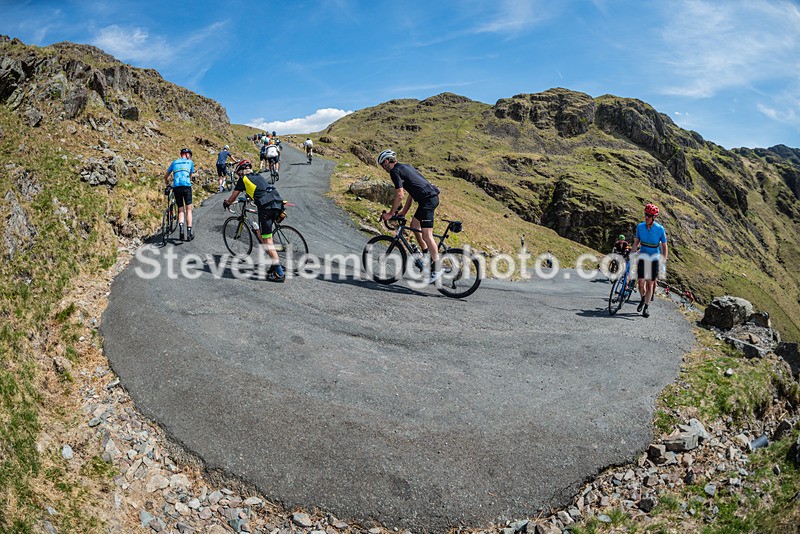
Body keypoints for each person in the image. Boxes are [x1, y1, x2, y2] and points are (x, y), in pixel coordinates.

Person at [377, 149, 443, 283]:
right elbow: (412, 193)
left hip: (428, 201)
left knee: (427, 235)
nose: (383, 169)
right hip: (427, 199)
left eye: (383, 165)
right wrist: (403, 212)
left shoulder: (395, 172)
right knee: (414, 225)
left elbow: (400, 195)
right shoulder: (406, 167)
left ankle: (437, 268)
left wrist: (390, 213)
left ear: (386, 161)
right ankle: (426, 255)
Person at [222, 160, 286, 282]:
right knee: (265, 235)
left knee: (268, 241)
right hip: (277, 202)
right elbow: (257, 190)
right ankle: (273, 265)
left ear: (240, 172)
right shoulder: (258, 176)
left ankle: (279, 273)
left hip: (266, 208)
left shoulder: (243, 179)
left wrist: (227, 203)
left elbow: (233, 196)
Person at [631, 203, 668, 318]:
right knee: (640, 283)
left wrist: (664, 258)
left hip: (654, 258)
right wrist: (632, 253)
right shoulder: (640, 227)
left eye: (649, 216)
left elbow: (665, 245)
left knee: (650, 284)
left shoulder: (660, 229)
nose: (646, 217)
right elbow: (637, 242)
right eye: (645, 214)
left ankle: (646, 307)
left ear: (654, 217)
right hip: (643, 256)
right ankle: (642, 298)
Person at [164, 148, 197, 241]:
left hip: (176, 187)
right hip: (186, 186)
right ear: (187, 155)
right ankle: (189, 233)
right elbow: (190, 176)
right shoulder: (190, 162)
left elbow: (165, 176)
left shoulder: (174, 162)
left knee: (181, 210)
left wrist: (168, 184)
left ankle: (181, 229)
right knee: (189, 209)